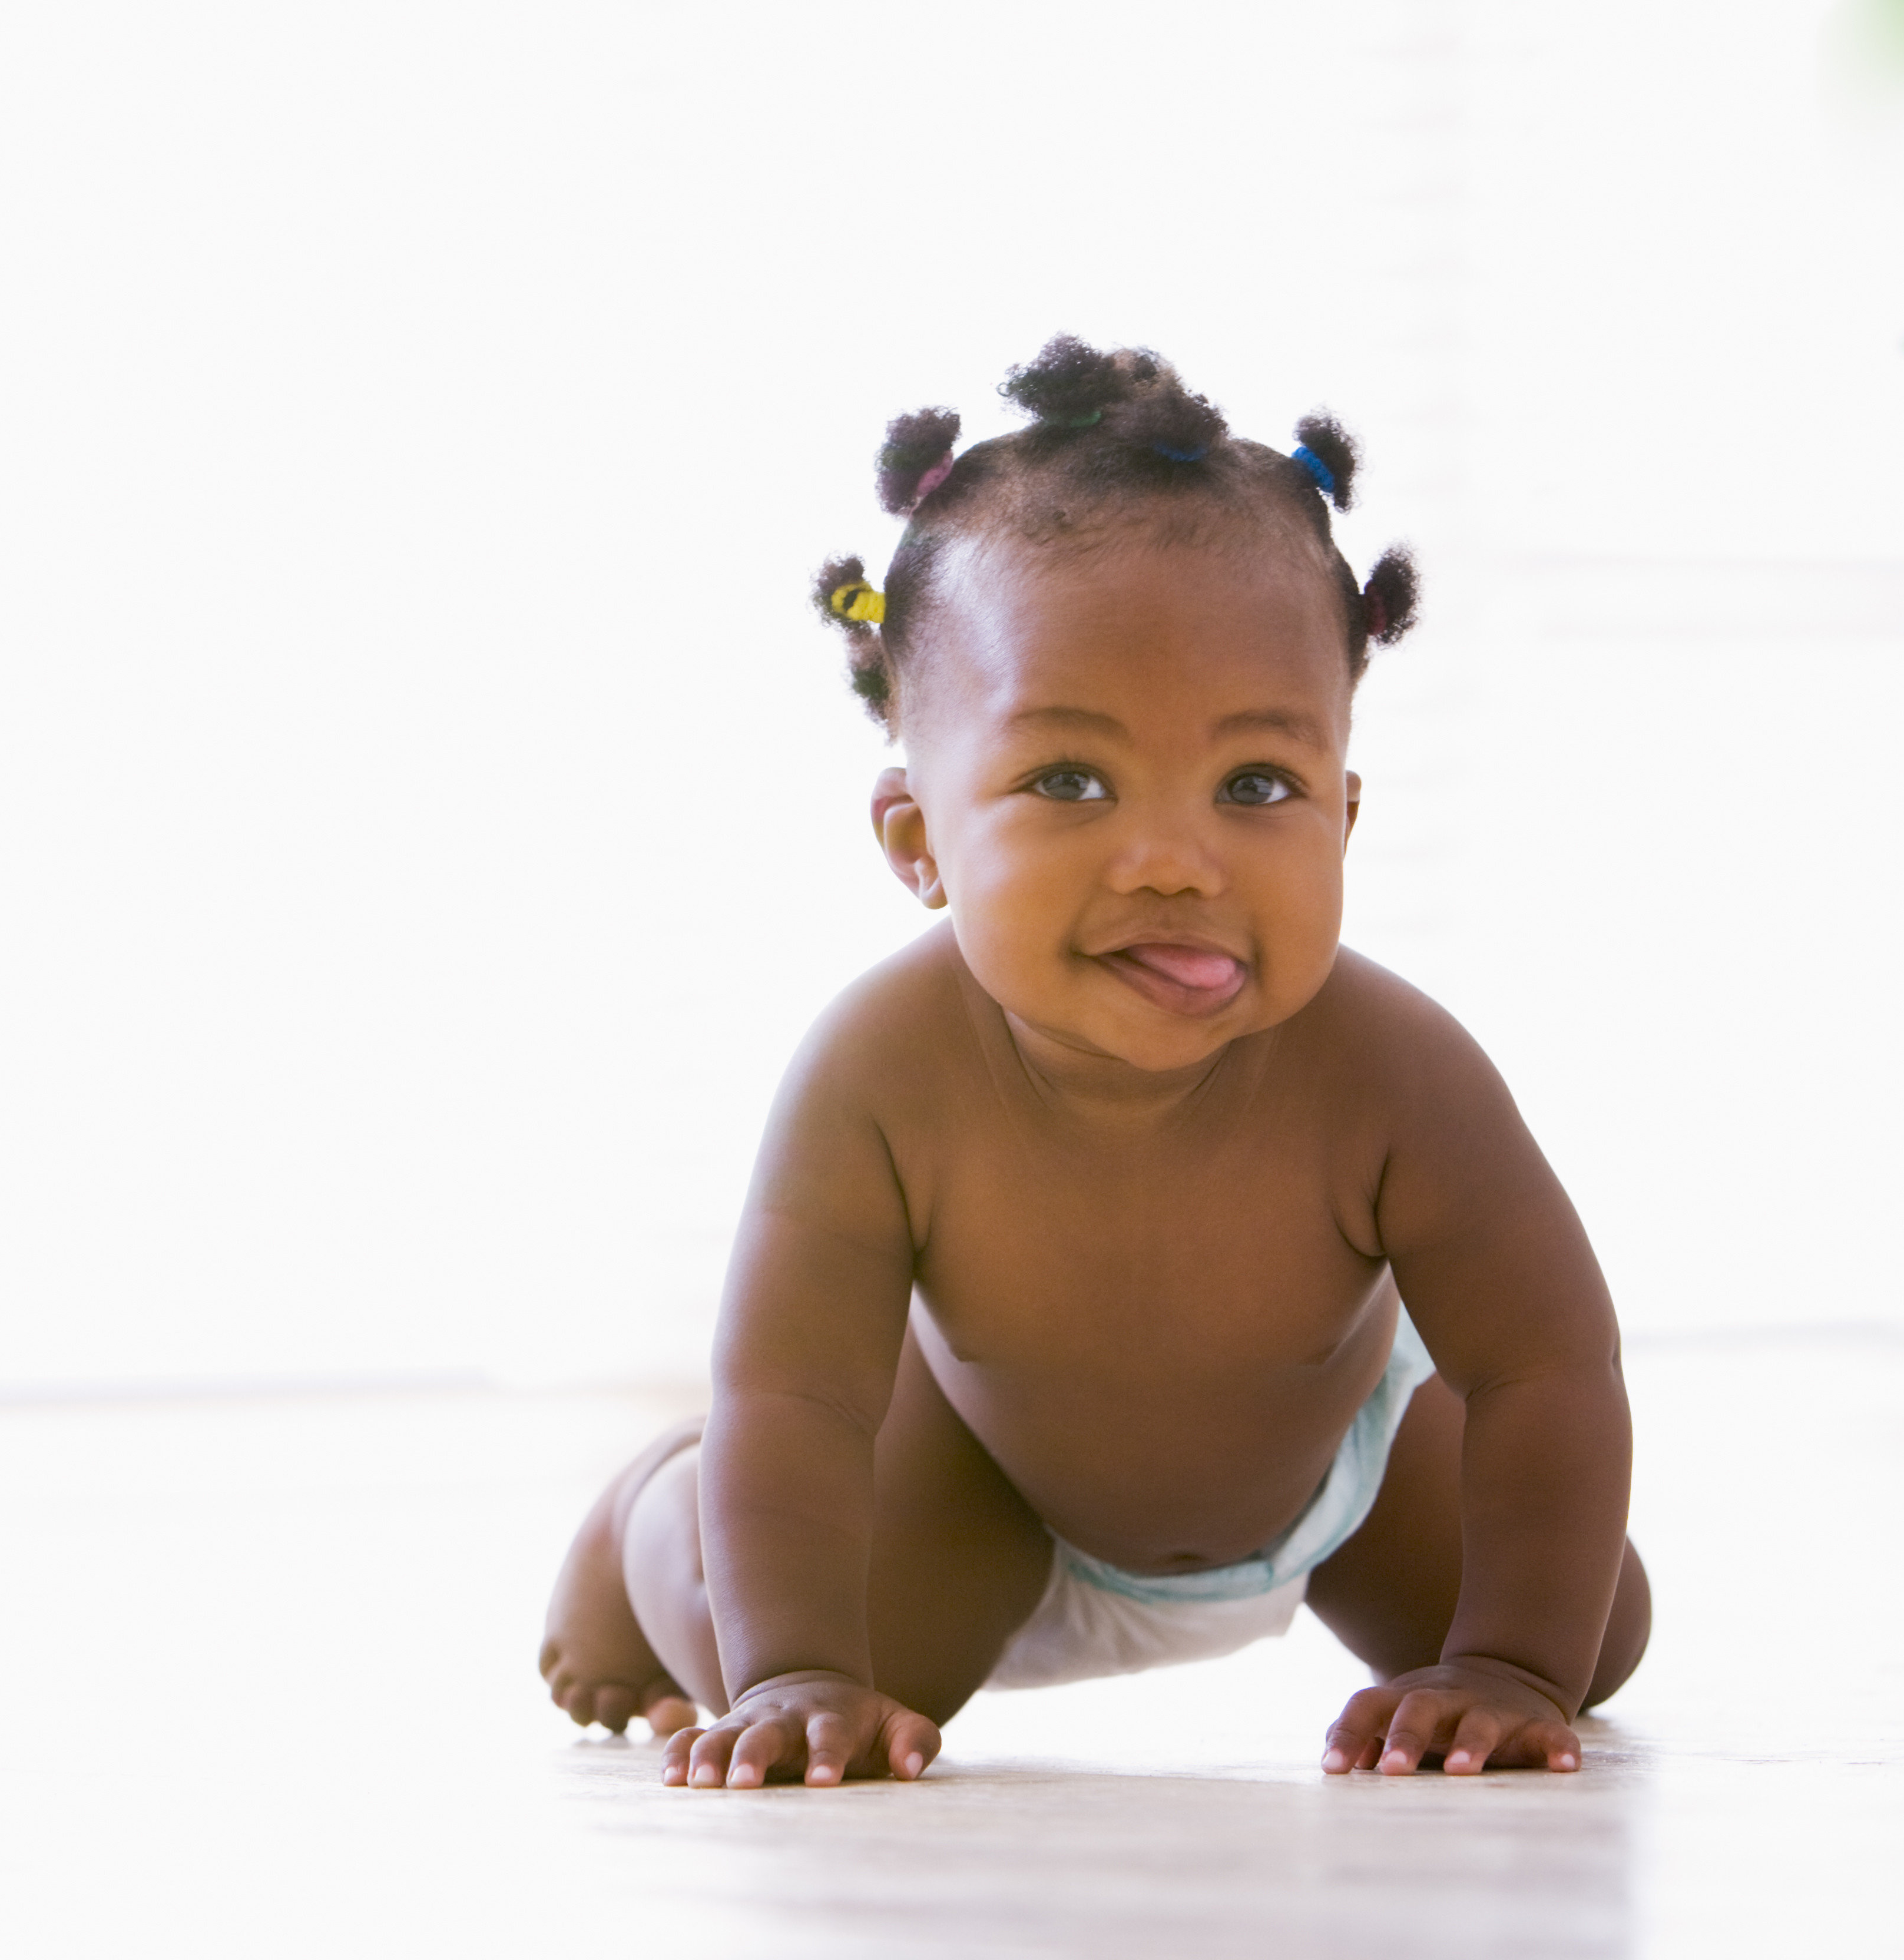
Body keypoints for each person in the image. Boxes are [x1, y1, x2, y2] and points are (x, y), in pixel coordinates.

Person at [537, 338, 1650, 1788]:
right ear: (919, 841)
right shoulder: (881, 1075)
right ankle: (643, 1517)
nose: (1177, 861)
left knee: (1590, 1626)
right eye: (1069, 780)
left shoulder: (1399, 1073)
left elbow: (1549, 1365)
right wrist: (792, 1667)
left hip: (1343, 1485)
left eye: (1258, 785)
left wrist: (1508, 1663)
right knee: (836, 1667)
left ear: (1346, 817)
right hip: (976, 1486)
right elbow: (796, 1396)